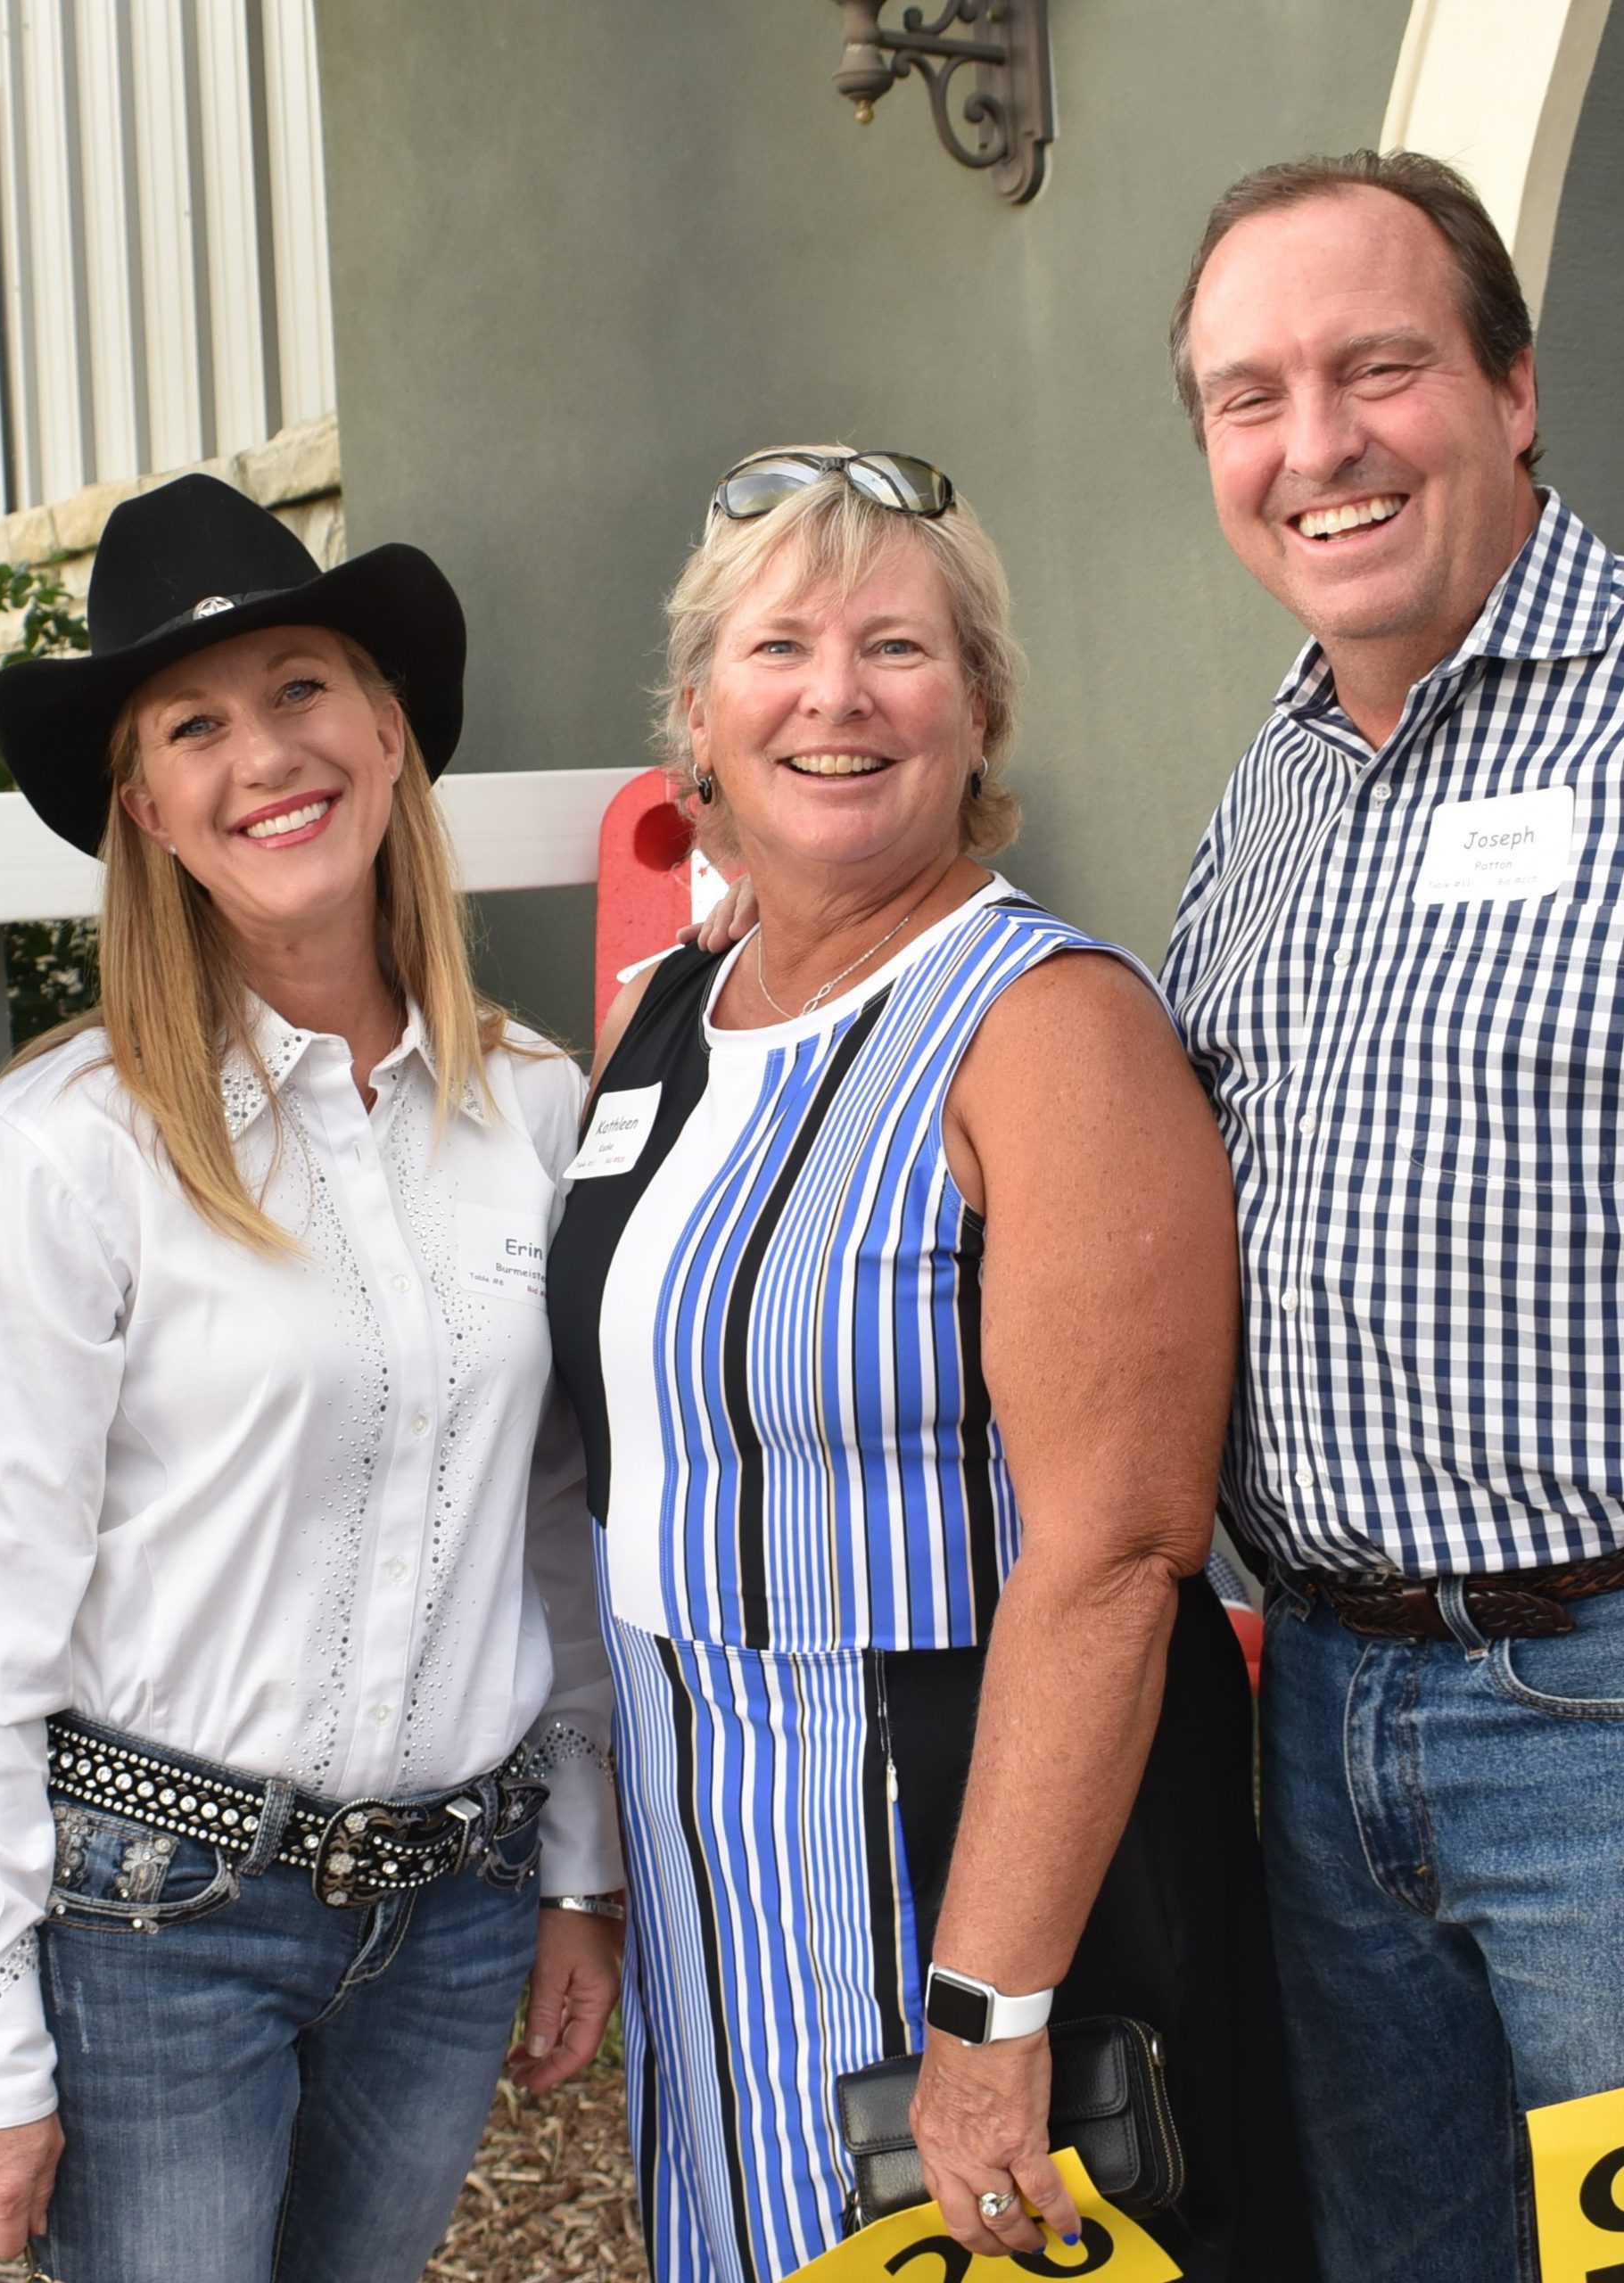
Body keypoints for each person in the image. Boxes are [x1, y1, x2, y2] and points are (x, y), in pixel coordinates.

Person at [548, 449, 1312, 2280]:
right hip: (715, 1881)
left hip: (951, 1861)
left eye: (897, 645)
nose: (834, 693)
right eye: (777, 646)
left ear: (974, 712)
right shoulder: (676, 1013)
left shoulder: (1043, 1024)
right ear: (695, 721)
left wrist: (990, 2009)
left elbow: (1119, 1552)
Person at [0, 473, 624, 2279]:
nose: (263, 754)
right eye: (192, 726)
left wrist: (578, 1866)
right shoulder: (69, 1144)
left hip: (453, 1905)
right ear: (143, 806)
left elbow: (551, 1520)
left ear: (386, 731)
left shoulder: (529, 1111)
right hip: (157, 1910)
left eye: (301, 687)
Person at [1164, 149, 1624, 2282]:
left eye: (1376, 370)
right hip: (1327, 1712)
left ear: (1510, 388)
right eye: (1246, 397)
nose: (1314, 446)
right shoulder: (1260, 792)